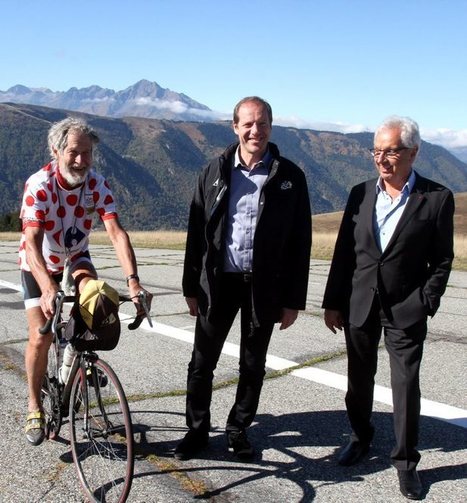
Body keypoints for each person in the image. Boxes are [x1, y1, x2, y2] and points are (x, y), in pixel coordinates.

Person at [322, 116, 454, 500]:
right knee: (357, 381)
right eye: (377, 151)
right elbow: (344, 253)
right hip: (360, 303)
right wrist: (333, 303)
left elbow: (442, 260)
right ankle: (360, 437)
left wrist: (426, 302)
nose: (382, 159)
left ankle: (406, 462)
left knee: (405, 386)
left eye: (391, 151)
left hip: (406, 308)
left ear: (413, 152)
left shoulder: (437, 198)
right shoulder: (360, 194)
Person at [176, 96, 312, 460]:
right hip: (219, 283)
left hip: (264, 287)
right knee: (202, 362)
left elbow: (302, 242)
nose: (256, 130)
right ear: (235, 127)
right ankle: (197, 431)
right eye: (248, 123)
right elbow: (196, 232)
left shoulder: (290, 177)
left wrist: (293, 300)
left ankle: (238, 430)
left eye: (263, 122)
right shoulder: (214, 171)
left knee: (253, 364)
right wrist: (191, 286)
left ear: (271, 126)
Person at [19, 117, 153, 446]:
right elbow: (32, 240)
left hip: (77, 257)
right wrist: (48, 287)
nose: (81, 161)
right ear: (56, 150)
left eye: (87, 153)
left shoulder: (97, 184)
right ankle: (34, 405)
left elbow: (116, 233)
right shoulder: (40, 185)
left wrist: (133, 283)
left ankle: (76, 361)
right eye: (74, 153)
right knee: (40, 337)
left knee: (95, 302)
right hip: (39, 263)